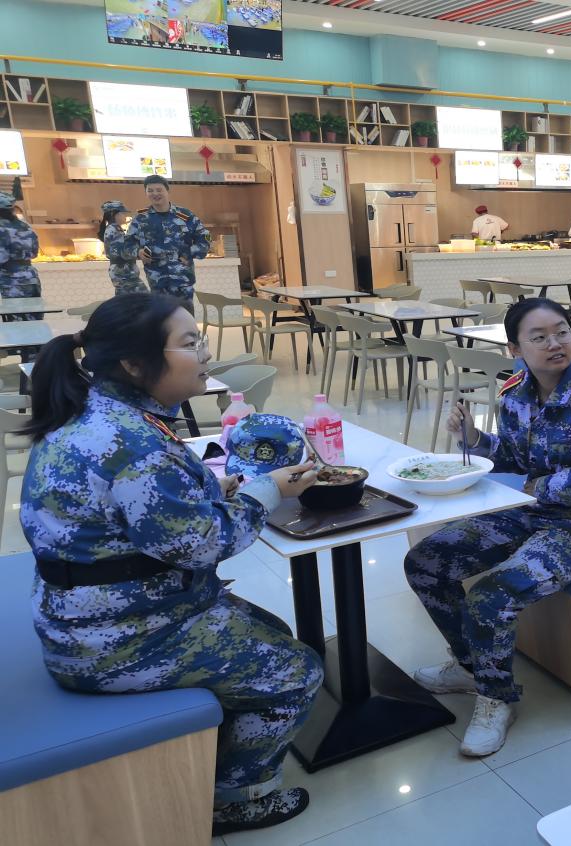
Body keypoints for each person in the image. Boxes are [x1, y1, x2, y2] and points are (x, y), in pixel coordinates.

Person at [20, 293, 324, 836]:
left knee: (274, 630)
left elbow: (132, 511)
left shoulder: (104, 414)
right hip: (116, 638)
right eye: (189, 343)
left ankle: (209, 754)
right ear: (135, 364)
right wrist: (266, 491)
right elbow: (206, 544)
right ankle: (230, 800)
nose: (205, 352)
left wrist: (214, 489)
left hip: (88, 617)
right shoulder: (135, 443)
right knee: (298, 671)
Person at [404, 298, 571, 756]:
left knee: (492, 595)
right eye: (539, 337)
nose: (555, 343)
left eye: (562, 331)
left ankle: (497, 699)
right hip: (532, 508)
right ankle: (471, 666)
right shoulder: (514, 392)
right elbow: (513, 457)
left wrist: (537, 485)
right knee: (426, 562)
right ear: (515, 349)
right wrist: (474, 438)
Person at [125, 175, 210, 310]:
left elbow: (205, 238)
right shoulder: (140, 219)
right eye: (150, 190)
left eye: (159, 190)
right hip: (157, 281)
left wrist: (188, 253)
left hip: (183, 280)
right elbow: (127, 244)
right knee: (162, 319)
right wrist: (138, 252)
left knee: (185, 317)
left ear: (167, 191)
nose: (155, 193)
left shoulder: (185, 215)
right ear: (146, 193)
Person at [0, 191, 43, 320]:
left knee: (16, 321)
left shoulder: (1, 229)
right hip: (31, 277)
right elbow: (34, 253)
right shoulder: (25, 226)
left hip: (12, 281)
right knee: (34, 317)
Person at [98, 200, 147, 296]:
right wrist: (138, 252)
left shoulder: (113, 229)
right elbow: (122, 251)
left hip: (122, 271)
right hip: (124, 271)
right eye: (122, 214)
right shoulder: (114, 229)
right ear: (113, 214)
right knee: (143, 297)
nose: (125, 216)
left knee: (125, 299)